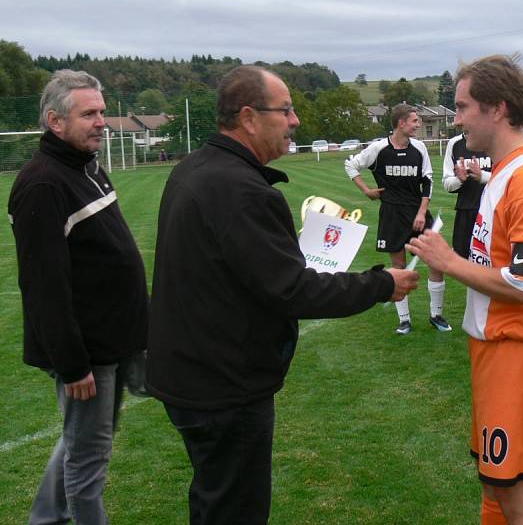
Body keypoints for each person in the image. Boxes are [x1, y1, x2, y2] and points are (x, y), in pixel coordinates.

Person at [146, 65, 418, 523]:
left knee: (214, 500)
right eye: (286, 110)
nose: (295, 121)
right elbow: (292, 289)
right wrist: (381, 283)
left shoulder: (196, 168)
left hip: (192, 373)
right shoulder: (241, 188)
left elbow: (242, 267)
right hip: (224, 384)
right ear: (249, 117)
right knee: (235, 509)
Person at [408, 55, 523, 524]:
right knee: (494, 483)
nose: (456, 119)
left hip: (520, 351)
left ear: (497, 108)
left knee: (516, 493)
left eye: (461, 107)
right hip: (497, 349)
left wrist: (449, 262)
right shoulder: (503, 172)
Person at [8, 70, 149, 524]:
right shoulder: (44, 184)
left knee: (83, 441)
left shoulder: (84, 167)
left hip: (118, 337)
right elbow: (44, 286)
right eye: (88, 114)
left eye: (102, 112)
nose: (101, 122)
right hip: (89, 351)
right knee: (88, 460)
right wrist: (72, 364)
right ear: (55, 121)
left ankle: (45, 519)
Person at [345, 105, 451, 335]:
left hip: (417, 211)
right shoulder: (378, 148)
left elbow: (428, 182)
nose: (418, 125)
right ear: (401, 123)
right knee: (398, 267)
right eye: (414, 121)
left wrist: (422, 213)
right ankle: (404, 320)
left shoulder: (419, 148)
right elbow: (351, 164)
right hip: (392, 214)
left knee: (435, 262)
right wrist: (366, 190)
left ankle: (437, 315)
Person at [442, 131, 492, 258]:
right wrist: (460, 179)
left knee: (492, 261)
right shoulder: (454, 144)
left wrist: (482, 176)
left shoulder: (493, 138)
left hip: (491, 212)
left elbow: (507, 176)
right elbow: (447, 184)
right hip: (465, 212)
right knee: (462, 262)